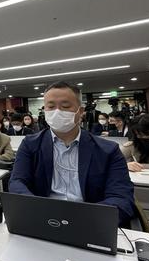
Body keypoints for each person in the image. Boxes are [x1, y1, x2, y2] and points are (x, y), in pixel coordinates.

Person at [9, 81, 135, 227]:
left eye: (65, 106)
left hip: (90, 224)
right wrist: (38, 210)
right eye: (50, 107)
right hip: (43, 219)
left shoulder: (108, 151)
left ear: (80, 112)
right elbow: (17, 182)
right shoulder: (30, 145)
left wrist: (82, 220)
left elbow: (121, 197)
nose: (57, 111)